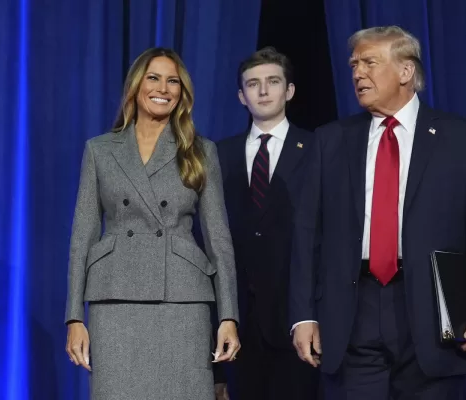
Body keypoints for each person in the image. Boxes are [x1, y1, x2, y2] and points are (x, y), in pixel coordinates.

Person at [290, 26, 466, 399]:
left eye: (370, 62)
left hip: (433, 312)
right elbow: (307, 233)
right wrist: (303, 315)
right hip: (354, 309)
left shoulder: (461, 138)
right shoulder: (330, 140)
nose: (358, 73)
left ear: (406, 72)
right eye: (354, 64)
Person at [64, 47, 240, 400]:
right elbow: (82, 236)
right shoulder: (99, 150)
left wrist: (229, 317)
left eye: (173, 81)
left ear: (182, 92)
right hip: (114, 300)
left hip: (182, 299)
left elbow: (219, 239)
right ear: (136, 86)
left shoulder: (200, 151)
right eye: (154, 78)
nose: (164, 88)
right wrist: (73, 318)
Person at [215, 47, 320, 399]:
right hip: (239, 323)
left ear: (288, 91)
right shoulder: (217, 154)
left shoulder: (319, 149)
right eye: (253, 84)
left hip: (298, 320)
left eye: (273, 82)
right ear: (241, 96)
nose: (263, 91)